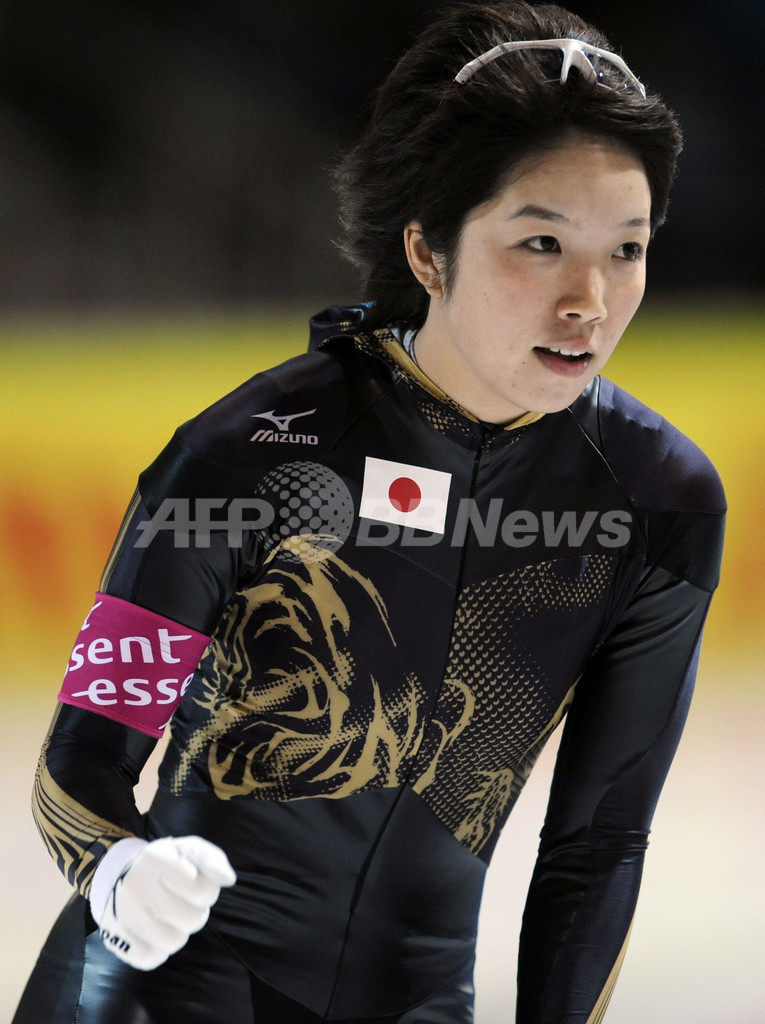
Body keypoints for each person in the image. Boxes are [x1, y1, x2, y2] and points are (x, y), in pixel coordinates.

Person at [14, 3, 725, 1022]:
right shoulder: (245, 453)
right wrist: (119, 870)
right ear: (428, 253)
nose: (590, 300)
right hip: (150, 993)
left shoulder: (656, 500)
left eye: (627, 248)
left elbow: (597, 847)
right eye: (540, 242)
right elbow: (81, 755)